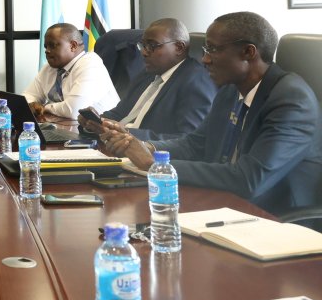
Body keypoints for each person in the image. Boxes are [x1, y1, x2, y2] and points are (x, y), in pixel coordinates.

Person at [100, 11, 322, 215]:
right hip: (224, 204)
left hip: (276, 218)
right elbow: (196, 143)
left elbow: (249, 180)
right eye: (206, 50)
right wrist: (149, 147)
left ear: (248, 52)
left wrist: (155, 165)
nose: (204, 59)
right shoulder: (230, 90)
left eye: (213, 50)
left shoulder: (291, 101)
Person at [84, 18, 216, 140]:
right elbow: (119, 113)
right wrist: (96, 122)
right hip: (112, 146)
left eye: (152, 46)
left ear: (179, 48)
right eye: (143, 45)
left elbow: (187, 140)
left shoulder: (195, 83)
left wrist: (126, 133)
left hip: (151, 157)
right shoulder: (148, 73)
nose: (144, 52)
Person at [23, 23, 119, 120]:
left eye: (52, 46)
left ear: (73, 46)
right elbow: (28, 97)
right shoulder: (50, 67)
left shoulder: (90, 64)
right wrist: (33, 105)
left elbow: (75, 110)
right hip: (65, 126)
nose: (47, 51)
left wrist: (44, 107)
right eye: (46, 46)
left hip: (101, 130)